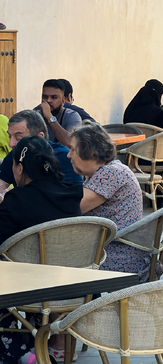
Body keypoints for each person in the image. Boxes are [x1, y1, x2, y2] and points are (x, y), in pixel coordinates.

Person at [0, 136, 83, 364]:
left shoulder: (17, 200)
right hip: (77, 285)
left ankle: (19, 352)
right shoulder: (73, 194)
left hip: (32, 291)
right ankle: (38, 346)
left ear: (19, 168)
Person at [68, 121, 160, 283]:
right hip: (120, 251)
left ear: (89, 152)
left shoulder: (110, 173)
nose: (69, 155)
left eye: (73, 149)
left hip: (119, 256)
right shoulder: (111, 169)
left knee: (55, 262)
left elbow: (72, 208)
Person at [0, 110, 83, 198]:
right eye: (9, 137)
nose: (11, 144)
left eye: (18, 138)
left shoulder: (63, 157)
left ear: (40, 138)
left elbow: (72, 200)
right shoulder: (16, 154)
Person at [34, 79, 82, 148]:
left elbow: (70, 143)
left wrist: (50, 117)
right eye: (45, 97)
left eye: (54, 97)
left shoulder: (72, 116)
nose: (48, 100)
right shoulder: (36, 115)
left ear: (63, 101)